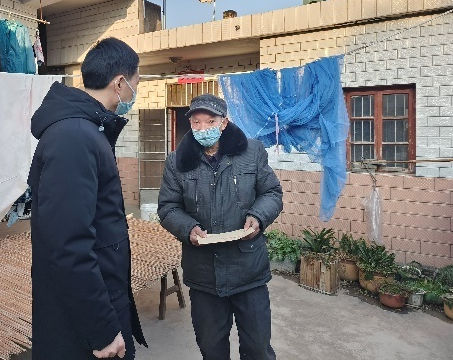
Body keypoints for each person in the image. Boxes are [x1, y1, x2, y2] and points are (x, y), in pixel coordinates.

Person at [28, 37, 147, 359]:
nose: (134, 93)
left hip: (98, 298)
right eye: (135, 84)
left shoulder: (88, 130)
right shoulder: (75, 137)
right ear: (119, 84)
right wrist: (103, 329)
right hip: (83, 321)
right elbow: (68, 244)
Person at [158, 93, 283, 360]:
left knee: (258, 349)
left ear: (223, 123)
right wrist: (188, 228)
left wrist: (258, 216)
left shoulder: (252, 152)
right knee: (211, 350)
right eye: (196, 122)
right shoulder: (177, 162)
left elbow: (272, 193)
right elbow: (168, 208)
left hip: (248, 270)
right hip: (204, 274)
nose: (202, 128)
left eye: (210, 121)